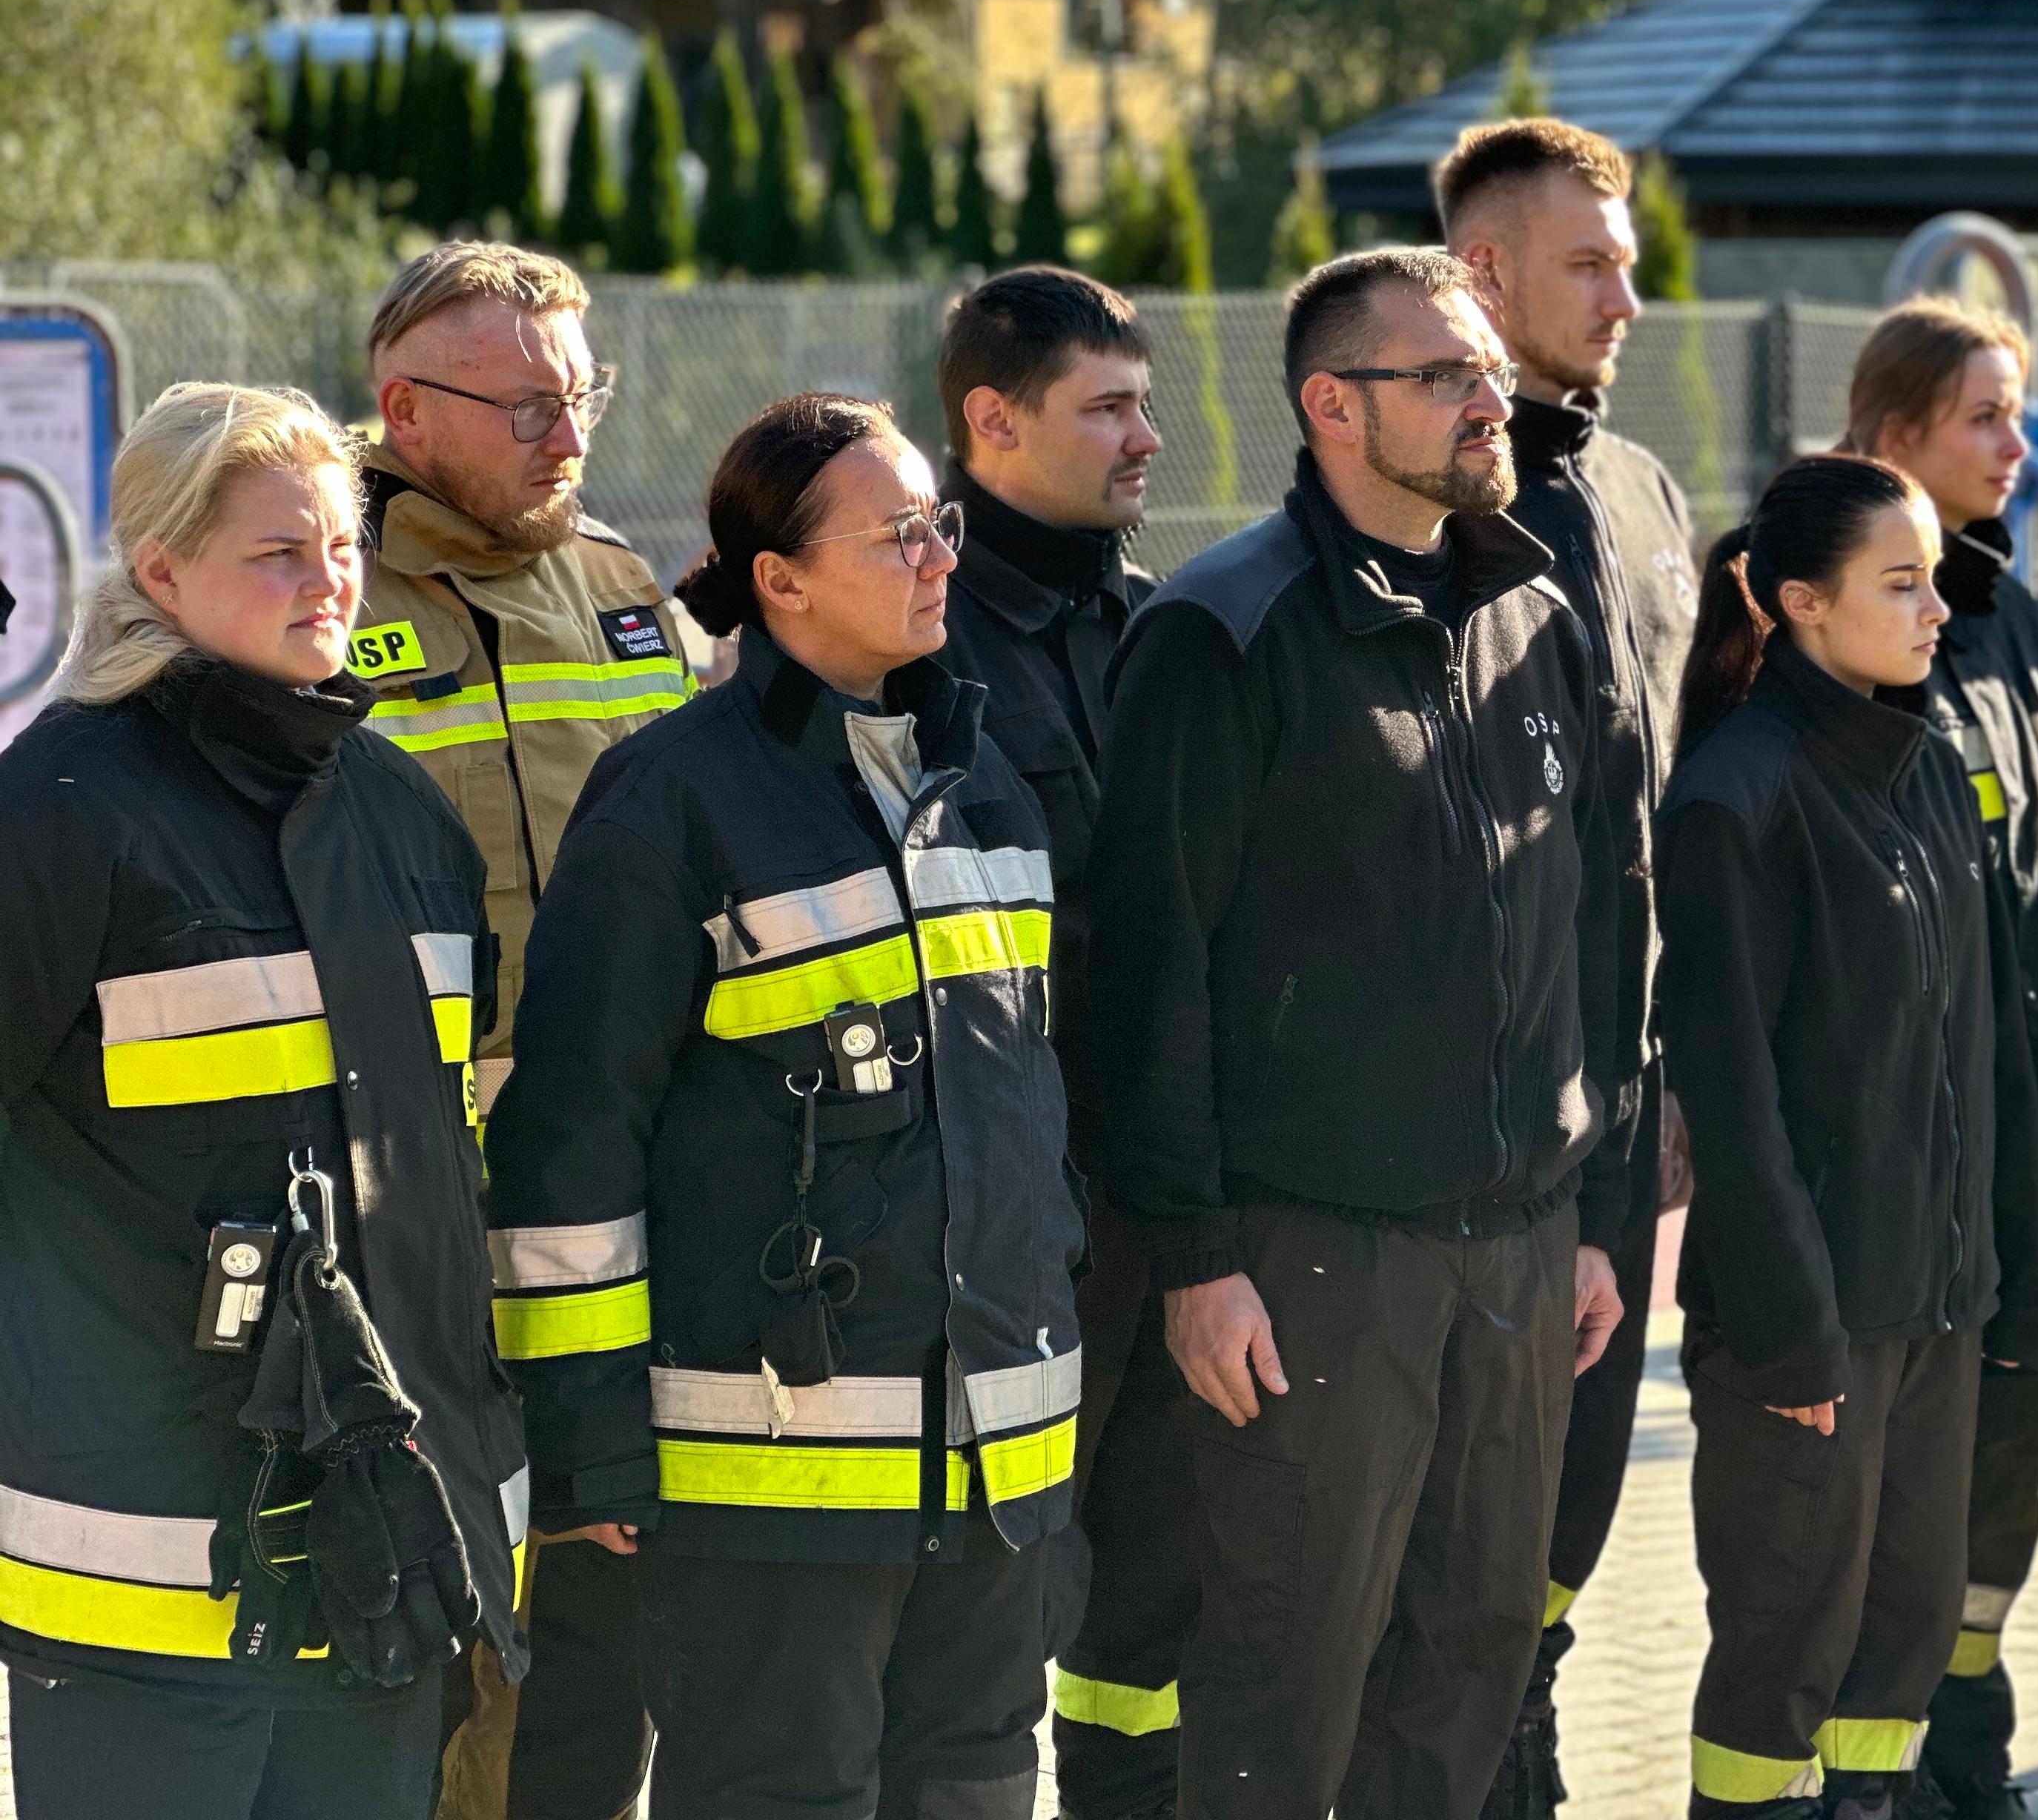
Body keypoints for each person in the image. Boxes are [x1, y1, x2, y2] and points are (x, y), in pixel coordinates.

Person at [482, 394, 1083, 1820]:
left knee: (978, 1791)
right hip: (769, 1481)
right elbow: (572, 1141)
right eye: (900, 534)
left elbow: (1025, 1112)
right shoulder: (670, 798)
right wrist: (589, 1442)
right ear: (782, 580)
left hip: (999, 1466)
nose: (941, 556)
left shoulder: (980, 774)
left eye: (940, 524)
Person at [1090, 247, 1630, 1820]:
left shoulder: (1536, 610)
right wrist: (1196, 1260)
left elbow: (1602, 923)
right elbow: (1149, 970)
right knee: (1286, 1675)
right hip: (1315, 1264)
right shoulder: (1223, 631)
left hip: (1522, 1257)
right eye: (1445, 377)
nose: (1491, 402)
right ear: (1334, 406)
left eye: (1488, 372)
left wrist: (1593, 1214)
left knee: (1471, 1659)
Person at [0, 383, 529, 1819]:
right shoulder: (59, 808)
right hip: (139, 1563)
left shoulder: (405, 815)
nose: (328, 581)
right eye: (278, 553)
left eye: (342, 546)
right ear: (162, 571)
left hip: (380, 1548)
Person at [1657, 452, 2038, 1820]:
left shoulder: (1931, 771)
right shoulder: (1734, 799)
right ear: (1801, 605)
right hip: (1807, 1333)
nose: (1937, 609)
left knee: (1900, 1656)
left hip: (1937, 1313)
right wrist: (1790, 1333)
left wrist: (2017, 1283)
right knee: (1783, 1671)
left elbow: (1994, 1052)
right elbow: (1733, 1097)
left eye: (1933, 579)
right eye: (1901, 583)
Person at [348, 243, 692, 1820]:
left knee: (599, 1621)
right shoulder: (317, 588)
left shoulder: (620, 590)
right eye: (526, 406)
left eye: (581, 397)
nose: (568, 436)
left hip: (619, 1194)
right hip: (405, 1209)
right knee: (438, 1628)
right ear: (405, 410)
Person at [1438, 116, 1702, 1816]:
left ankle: (1523, 1728)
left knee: (1580, 1493)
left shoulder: (1642, 490)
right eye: (1591, 263)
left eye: (1631, 261)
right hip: (1486, 1098)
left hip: (1629, 1084)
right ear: (1484, 272)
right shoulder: (1436, 505)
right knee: (1472, 1499)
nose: (1628, 297)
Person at [919, 268, 1176, 1820]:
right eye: (1109, 409)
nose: (1148, 438)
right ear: (993, 424)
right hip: (1008, 1221)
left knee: (1153, 1605)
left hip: (1165, 1198)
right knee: (991, 1617)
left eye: (1146, 404)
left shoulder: (1161, 626)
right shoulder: (919, 641)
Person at [1842, 300, 2038, 1819]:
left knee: (2008, 1449)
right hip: (1907, 1132)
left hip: (2023, 1117)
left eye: (2021, 412)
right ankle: (1896, 1763)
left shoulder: (2006, 609)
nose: (2019, 445)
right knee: (1903, 1474)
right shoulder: (1838, 611)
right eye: (1986, 417)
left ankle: (1969, 1740)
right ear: (1892, 434)